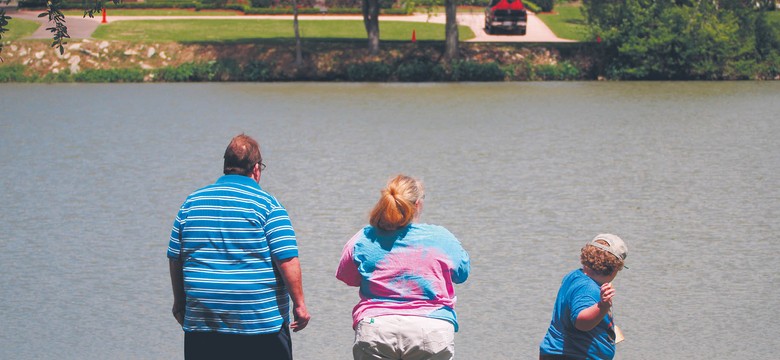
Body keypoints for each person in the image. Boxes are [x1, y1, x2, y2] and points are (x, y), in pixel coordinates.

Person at [167, 134, 310, 360]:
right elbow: (286, 259)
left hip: (203, 320)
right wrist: (300, 305)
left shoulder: (191, 203)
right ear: (256, 169)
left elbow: (176, 257)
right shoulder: (268, 205)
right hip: (259, 323)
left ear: (226, 167)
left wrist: (179, 303)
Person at [336, 174, 471, 360]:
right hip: (431, 328)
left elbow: (347, 276)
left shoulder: (364, 237)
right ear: (417, 204)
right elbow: (462, 274)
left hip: (377, 328)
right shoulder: (442, 237)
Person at [539, 234, 628, 360]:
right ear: (615, 268)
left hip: (556, 352)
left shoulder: (575, 276)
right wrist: (602, 306)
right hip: (574, 355)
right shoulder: (588, 288)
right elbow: (581, 322)